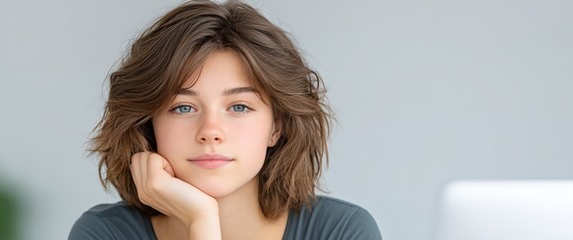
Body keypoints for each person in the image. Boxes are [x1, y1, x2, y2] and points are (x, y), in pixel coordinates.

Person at [69, 0, 382, 239]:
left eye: (239, 107)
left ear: (277, 126)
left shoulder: (341, 231)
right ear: (148, 122)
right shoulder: (105, 233)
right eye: (183, 108)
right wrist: (201, 220)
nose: (210, 132)